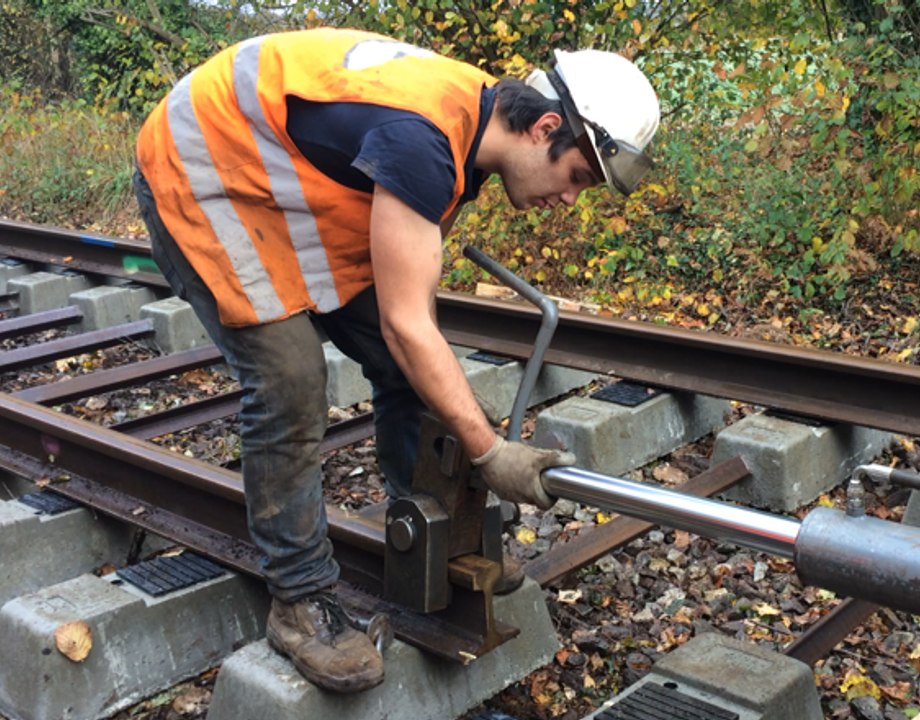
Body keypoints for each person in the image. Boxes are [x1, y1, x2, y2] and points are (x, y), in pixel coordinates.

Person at [132, 27, 660, 693]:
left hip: (281, 179)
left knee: (410, 366)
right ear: (545, 126)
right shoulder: (425, 140)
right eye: (576, 176)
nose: (569, 198)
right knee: (291, 378)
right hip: (200, 166)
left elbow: (407, 326)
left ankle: (433, 536)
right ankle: (298, 604)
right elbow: (409, 323)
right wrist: (488, 450)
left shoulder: (470, 125)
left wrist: (449, 409)